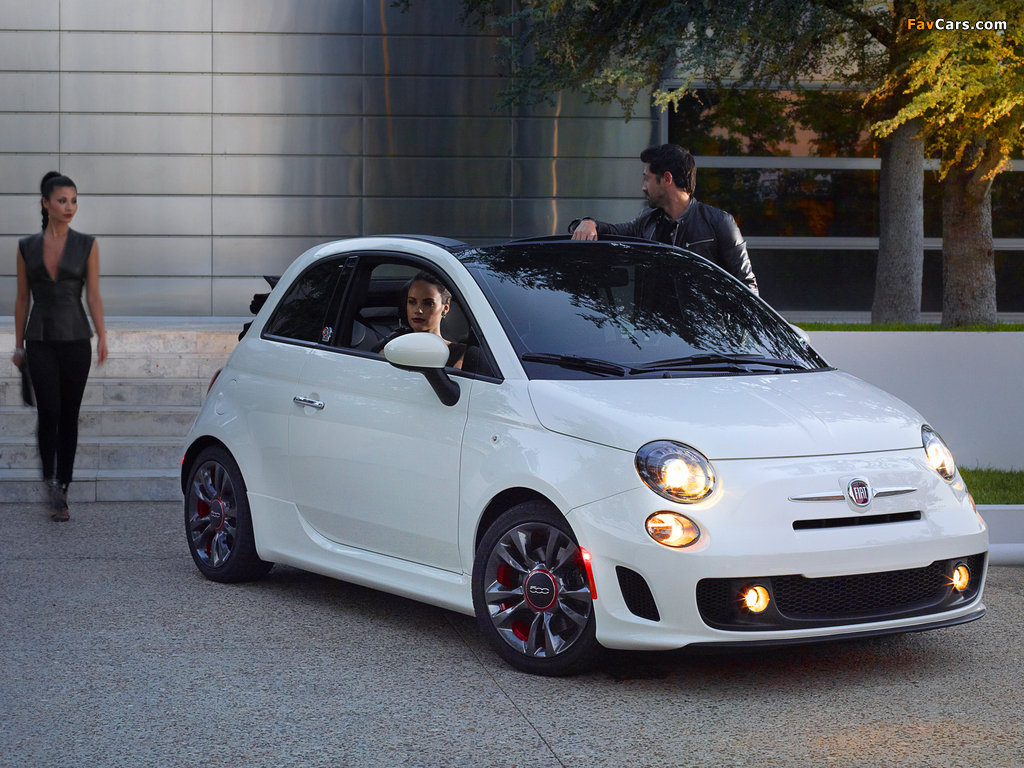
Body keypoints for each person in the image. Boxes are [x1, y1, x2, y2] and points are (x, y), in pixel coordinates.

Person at [11, 171, 108, 521]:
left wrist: (102, 335)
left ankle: (62, 489)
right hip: (39, 339)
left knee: (68, 415)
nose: (70, 207)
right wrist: (18, 345)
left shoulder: (87, 244)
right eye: (62, 200)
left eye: (74, 201)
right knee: (48, 412)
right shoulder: (26, 247)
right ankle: (50, 480)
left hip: (77, 339)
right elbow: (22, 299)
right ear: (46, 203)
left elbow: (93, 294)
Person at [569, 143, 759, 294]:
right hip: (655, 331)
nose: (644, 187)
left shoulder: (719, 222)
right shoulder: (646, 222)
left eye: (647, 179)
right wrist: (588, 223)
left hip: (706, 332)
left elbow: (748, 287)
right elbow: (609, 232)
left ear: (667, 179)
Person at [374, 272, 466, 368]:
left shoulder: (460, 356)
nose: (418, 310)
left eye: (428, 303)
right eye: (412, 302)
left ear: (445, 308)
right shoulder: (391, 346)